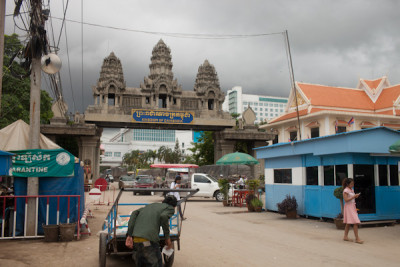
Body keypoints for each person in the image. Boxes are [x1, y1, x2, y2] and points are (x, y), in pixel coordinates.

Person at [125, 195, 177, 267]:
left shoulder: (150, 206)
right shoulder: (170, 208)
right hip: (148, 241)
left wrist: (129, 235)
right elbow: (164, 216)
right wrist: (167, 238)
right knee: (157, 264)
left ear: (163, 202)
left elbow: (134, 213)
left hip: (136, 240)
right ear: (174, 206)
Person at [342, 178, 363, 244]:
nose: (352, 185)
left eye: (353, 184)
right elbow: (345, 200)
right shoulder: (346, 190)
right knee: (355, 222)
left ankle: (345, 236)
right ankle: (357, 238)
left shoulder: (351, 190)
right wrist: (354, 197)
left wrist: (355, 196)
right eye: (351, 184)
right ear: (347, 184)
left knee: (349, 222)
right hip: (349, 207)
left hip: (352, 206)